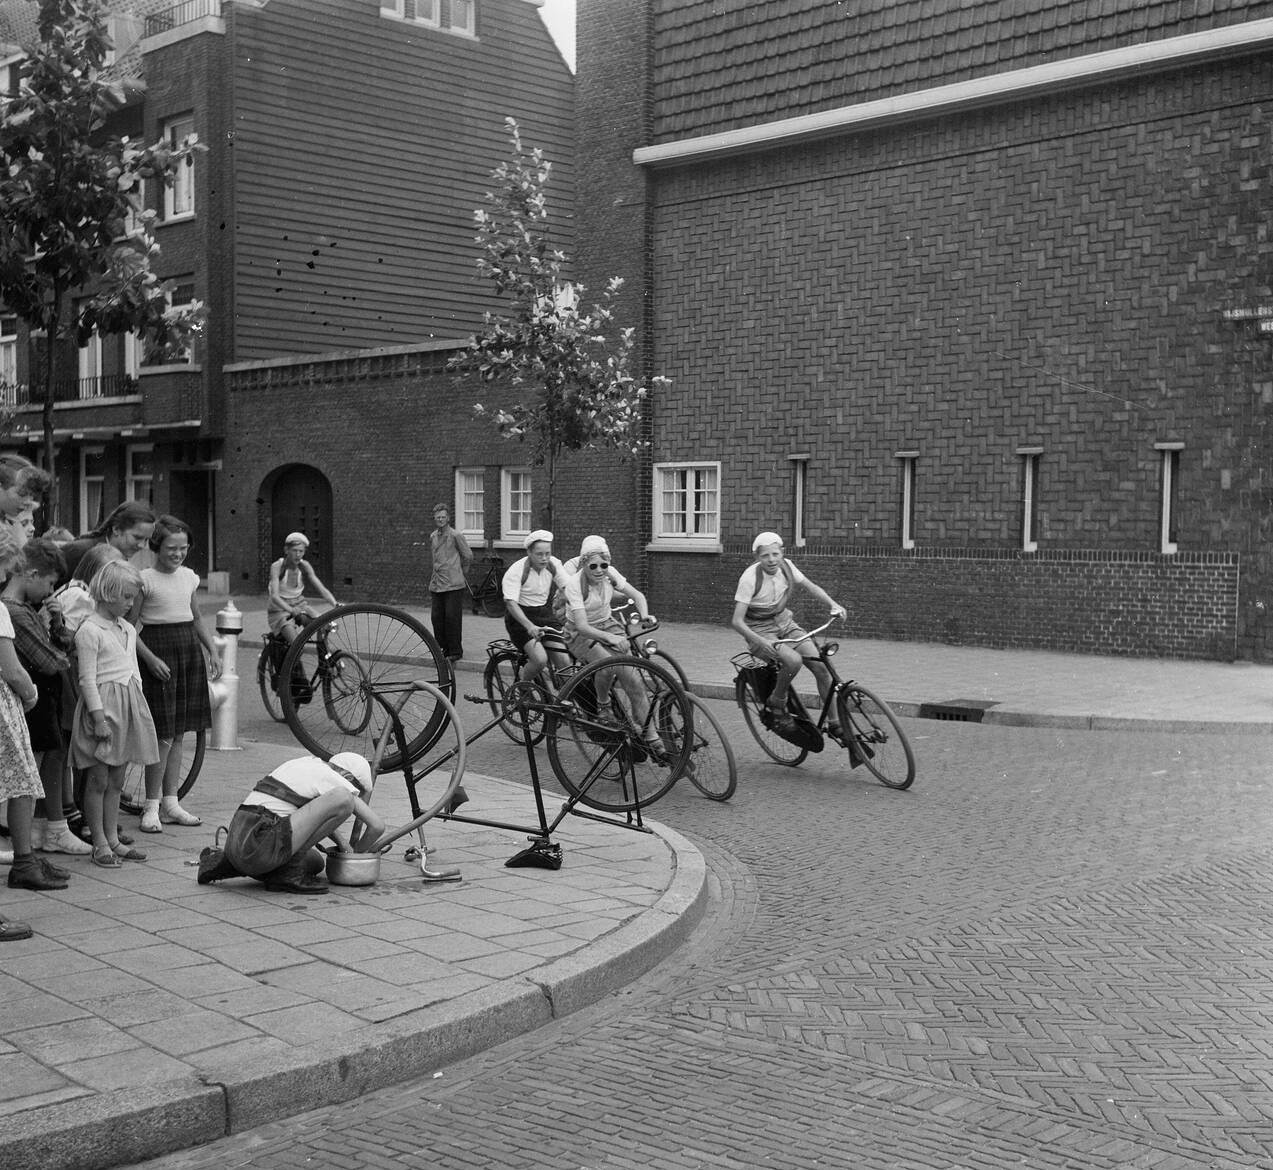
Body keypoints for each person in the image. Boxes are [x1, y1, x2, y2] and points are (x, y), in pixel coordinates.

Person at [130, 515, 221, 833]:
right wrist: (150, 658)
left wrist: (212, 649)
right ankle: (151, 806)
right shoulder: (144, 579)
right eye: (171, 547)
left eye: (183, 548)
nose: (178, 553)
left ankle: (171, 803)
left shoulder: (190, 578)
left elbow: (195, 617)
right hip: (160, 653)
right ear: (156, 546)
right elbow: (128, 627)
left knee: (180, 731)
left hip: (187, 652)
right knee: (162, 733)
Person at [0, 525, 75, 910]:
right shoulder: (9, 610)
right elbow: (42, 663)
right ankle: (24, 860)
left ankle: (26, 856)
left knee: (24, 782)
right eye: (47, 581)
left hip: (22, 704)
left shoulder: (18, 609)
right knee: (23, 783)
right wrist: (28, 695)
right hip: (20, 705)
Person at [70, 560, 160, 868]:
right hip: (104, 711)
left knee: (117, 780)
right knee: (97, 778)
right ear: (107, 593)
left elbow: (132, 668)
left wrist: (140, 708)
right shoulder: (90, 631)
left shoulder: (128, 629)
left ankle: (113, 839)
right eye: (126, 597)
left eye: (133, 597)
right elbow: (87, 679)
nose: (131, 603)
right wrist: (97, 718)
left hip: (127, 707)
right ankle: (98, 842)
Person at [199, 752, 386, 895]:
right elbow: (377, 826)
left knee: (315, 862)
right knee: (344, 799)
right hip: (261, 839)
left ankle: (225, 864)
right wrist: (355, 858)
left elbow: (315, 816)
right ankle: (285, 874)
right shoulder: (331, 778)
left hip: (239, 840)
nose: (355, 793)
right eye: (356, 789)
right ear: (349, 777)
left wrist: (345, 847)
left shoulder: (304, 764)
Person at [730, 531, 847, 737]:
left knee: (821, 667)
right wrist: (759, 641)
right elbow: (737, 621)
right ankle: (777, 701)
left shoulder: (787, 567)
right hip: (759, 631)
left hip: (784, 622)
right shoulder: (749, 579)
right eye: (765, 556)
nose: (771, 560)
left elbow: (811, 587)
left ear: (782, 553)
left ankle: (835, 723)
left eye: (775, 554)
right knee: (793, 661)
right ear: (758, 557)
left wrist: (833, 604)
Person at [561, 535, 663, 751]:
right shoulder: (574, 585)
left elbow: (637, 595)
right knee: (606, 664)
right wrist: (611, 638)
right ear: (584, 564)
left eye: (603, 565)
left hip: (607, 623)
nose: (599, 570)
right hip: (579, 632)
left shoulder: (610, 574)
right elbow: (581, 626)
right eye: (593, 565)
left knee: (633, 678)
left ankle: (649, 732)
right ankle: (603, 705)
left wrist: (644, 615)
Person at [501, 529, 571, 694]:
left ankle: (563, 701)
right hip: (520, 618)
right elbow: (511, 603)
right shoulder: (516, 570)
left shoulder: (553, 564)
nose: (545, 558)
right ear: (529, 553)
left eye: (547, 553)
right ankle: (522, 687)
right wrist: (529, 626)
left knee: (564, 660)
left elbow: (569, 589)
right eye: (539, 554)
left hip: (545, 614)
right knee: (540, 659)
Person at [60, 501, 156, 585]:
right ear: (116, 529)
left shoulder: (123, 561)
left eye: (146, 540)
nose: (142, 545)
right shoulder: (79, 550)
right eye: (137, 537)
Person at [267, 532, 338, 646]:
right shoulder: (277, 567)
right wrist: (291, 610)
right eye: (294, 550)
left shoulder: (304, 566)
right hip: (280, 610)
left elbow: (321, 589)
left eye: (301, 551)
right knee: (297, 645)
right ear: (286, 550)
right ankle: (292, 661)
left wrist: (335, 604)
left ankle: (323, 660)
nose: (298, 554)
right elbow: (274, 596)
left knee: (322, 625)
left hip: (300, 606)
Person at [427, 504, 472, 662]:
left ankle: (455, 651)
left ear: (448, 518)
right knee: (436, 617)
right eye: (438, 517)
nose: (440, 520)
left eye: (443, 517)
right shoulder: (433, 536)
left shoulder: (455, 535)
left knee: (452, 618)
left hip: (453, 584)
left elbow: (468, 555)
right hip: (437, 583)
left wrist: (460, 572)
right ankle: (442, 649)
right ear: (435, 519)